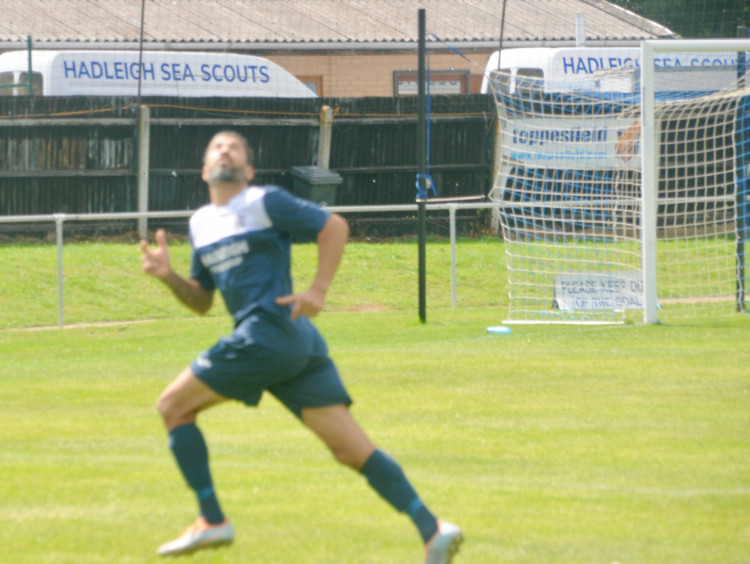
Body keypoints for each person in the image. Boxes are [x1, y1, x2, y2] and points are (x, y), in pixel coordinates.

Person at [140, 130, 463, 562]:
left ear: (248, 171)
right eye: (216, 147)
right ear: (204, 170)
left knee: (172, 406)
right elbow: (201, 300)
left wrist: (319, 289)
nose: (224, 151)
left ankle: (212, 519)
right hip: (294, 344)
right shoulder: (200, 224)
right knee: (350, 449)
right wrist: (168, 277)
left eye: (234, 147)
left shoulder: (265, 201)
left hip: (269, 333)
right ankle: (433, 529)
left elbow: (334, 226)